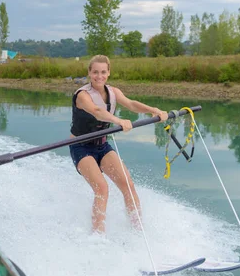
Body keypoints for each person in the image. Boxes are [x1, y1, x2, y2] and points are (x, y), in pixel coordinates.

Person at [69, 55, 168, 233]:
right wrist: (118, 121)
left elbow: (131, 104)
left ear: (109, 73)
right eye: (95, 72)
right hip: (81, 147)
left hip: (102, 146)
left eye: (103, 72)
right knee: (102, 188)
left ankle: (138, 230)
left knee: (128, 185)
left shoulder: (113, 91)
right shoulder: (82, 96)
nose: (99, 76)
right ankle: (98, 237)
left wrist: (154, 110)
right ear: (89, 73)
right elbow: (97, 111)